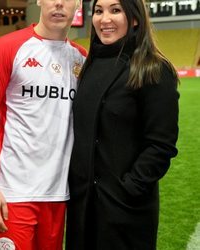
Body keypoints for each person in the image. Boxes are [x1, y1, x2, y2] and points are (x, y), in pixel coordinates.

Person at [0, 0, 86, 249]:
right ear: (39, 0)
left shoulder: (81, 59)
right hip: (12, 194)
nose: (58, 3)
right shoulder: (8, 47)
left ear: (78, 4)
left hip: (58, 197)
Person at [65, 0, 179, 249]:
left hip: (124, 210)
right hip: (82, 208)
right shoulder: (89, 66)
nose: (104, 19)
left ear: (135, 18)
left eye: (115, 10)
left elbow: (161, 145)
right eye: (98, 11)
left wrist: (129, 188)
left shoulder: (154, 69)